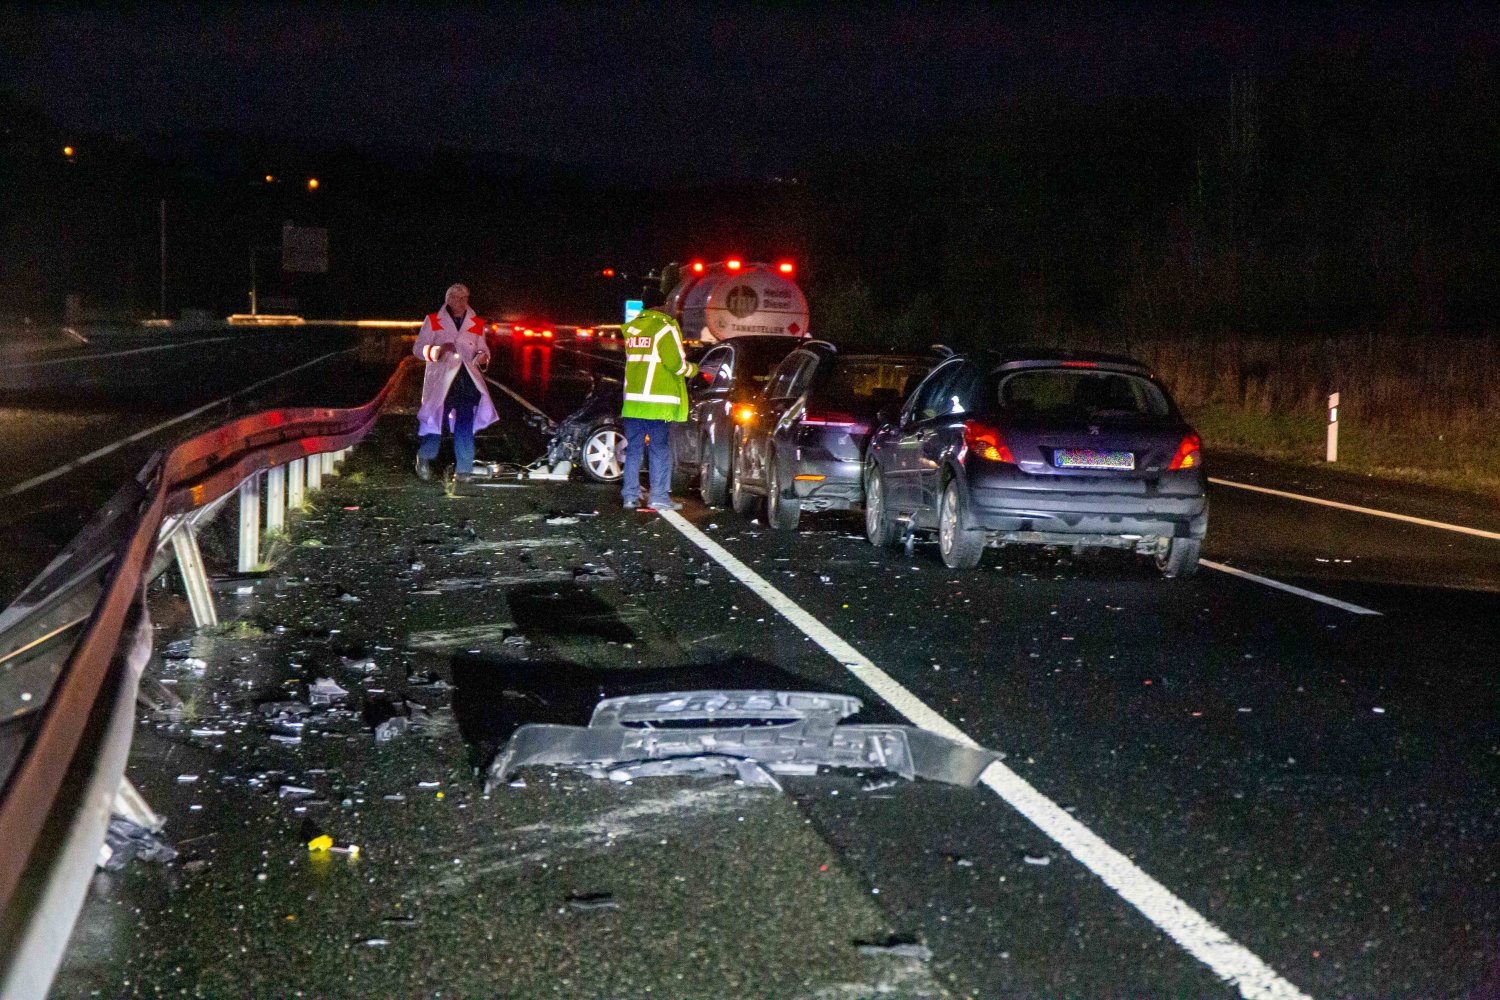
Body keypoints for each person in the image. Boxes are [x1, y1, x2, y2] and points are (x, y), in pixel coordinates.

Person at [413, 283, 499, 482]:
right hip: (442, 380)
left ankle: (464, 469)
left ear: (467, 300)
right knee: (436, 420)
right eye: (453, 297)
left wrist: (483, 357)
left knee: (465, 422)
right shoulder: (434, 320)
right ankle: (424, 457)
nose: (458, 301)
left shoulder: (476, 322)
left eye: (462, 298)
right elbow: (418, 348)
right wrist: (437, 350)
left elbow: (482, 348)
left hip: (467, 379)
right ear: (447, 299)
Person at [620, 306, 697, 510]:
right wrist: (695, 370)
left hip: (633, 404)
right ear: (663, 309)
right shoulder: (663, 328)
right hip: (657, 404)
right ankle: (659, 497)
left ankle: (630, 496)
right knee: (659, 450)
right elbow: (676, 364)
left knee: (634, 450)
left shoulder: (633, 329)